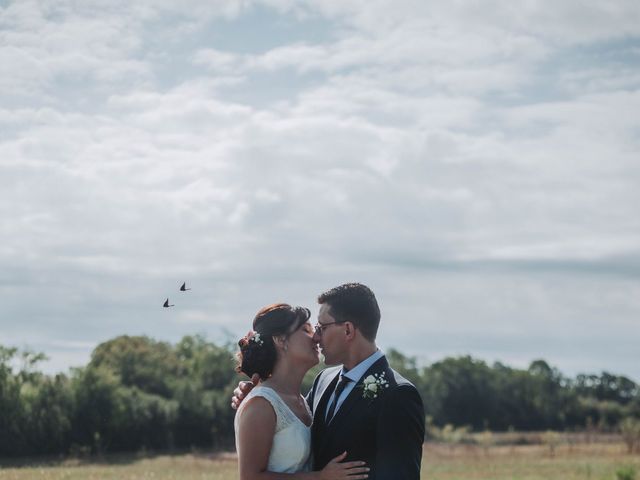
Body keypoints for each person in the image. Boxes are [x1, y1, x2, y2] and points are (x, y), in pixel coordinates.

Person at [233, 284, 425, 480]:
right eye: (310, 329)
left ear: (348, 330)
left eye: (321, 328)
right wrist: (254, 398)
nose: (316, 337)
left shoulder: (398, 395)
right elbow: (281, 417)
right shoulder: (323, 381)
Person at [234, 302, 370, 480]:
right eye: (306, 330)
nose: (316, 337)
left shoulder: (304, 401)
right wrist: (320, 478)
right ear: (281, 340)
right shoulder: (260, 404)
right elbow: (250, 477)